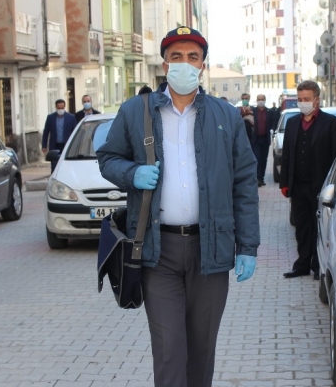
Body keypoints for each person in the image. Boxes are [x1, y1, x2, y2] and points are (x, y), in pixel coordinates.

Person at [97, 26, 259, 387]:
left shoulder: (225, 116)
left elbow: (244, 182)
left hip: (210, 248)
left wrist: (248, 246)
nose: (184, 63)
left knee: (201, 350)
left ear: (202, 65)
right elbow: (107, 158)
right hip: (158, 250)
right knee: (170, 350)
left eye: (192, 57)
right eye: (176, 57)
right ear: (165, 64)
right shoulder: (135, 111)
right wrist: (132, 173)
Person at [279, 80, 336, 280]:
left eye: (306, 99)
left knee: (320, 228)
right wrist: (284, 183)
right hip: (298, 186)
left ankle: (318, 266)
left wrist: (335, 187)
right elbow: (287, 155)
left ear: (317, 100)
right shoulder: (292, 123)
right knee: (302, 227)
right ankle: (302, 264)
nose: (302, 103)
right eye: (300, 99)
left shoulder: (332, 123)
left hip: (321, 187)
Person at [250, 93, 279, 187]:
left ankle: (261, 178)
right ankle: (257, 178)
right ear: (256, 100)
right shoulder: (253, 111)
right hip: (256, 139)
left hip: (265, 139)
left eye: (262, 99)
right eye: (259, 99)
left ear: (265, 100)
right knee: (257, 158)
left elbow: (274, 122)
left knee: (263, 159)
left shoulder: (269, 112)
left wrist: (272, 130)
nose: (260, 101)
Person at [42, 99, 77, 172]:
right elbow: (46, 132)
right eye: (59, 108)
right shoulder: (50, 118)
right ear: (56, 107)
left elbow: (75, 132)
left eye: (62, 108)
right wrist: (44, 145)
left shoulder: (71, 117)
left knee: (66, 164)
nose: (60, 110)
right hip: (54, 145)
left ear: (64, 107)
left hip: (66, 145)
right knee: (54, 165)